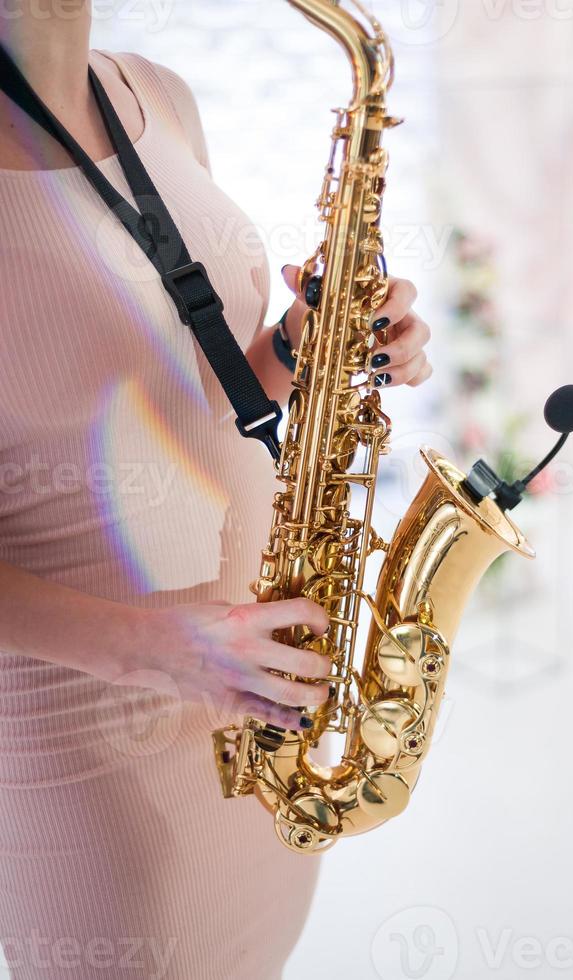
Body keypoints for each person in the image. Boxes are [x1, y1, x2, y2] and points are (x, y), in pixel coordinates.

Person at [0, 3, 433, 978]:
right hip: (93, 749)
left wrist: (313, 339)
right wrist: (162, 649)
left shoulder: (153, 92)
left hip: (249, 688)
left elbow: (176, 390)